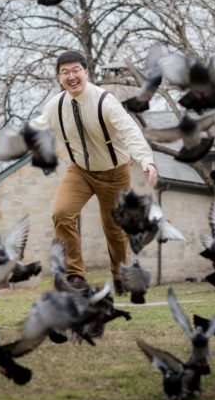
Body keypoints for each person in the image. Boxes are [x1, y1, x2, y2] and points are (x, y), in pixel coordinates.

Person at [30, 50, 158, 294]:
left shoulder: (105, 101)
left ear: (86, 72)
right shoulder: (55, 106)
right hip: (79, 171)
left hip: (114, 173)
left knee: (114, 229)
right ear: (59, 78)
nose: (71, 76)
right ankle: (75, 275)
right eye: (65, 72)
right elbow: (32, 131)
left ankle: (120, 275)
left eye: (76, 70)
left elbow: (130, 131)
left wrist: (146, 160)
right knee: (61, 213)